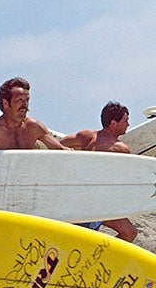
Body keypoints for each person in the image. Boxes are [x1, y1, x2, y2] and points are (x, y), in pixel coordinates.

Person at [0, 78, 66, 189]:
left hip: (29, 180)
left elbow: (60, 150)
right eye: (20, 100)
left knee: (85, 136)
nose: (25, 105)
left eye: (27, 100)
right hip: (2, 183)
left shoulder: (33, 126)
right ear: (6, 103)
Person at [59, 101, 140, 242]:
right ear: (113, 123)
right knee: (130, 233)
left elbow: (60, 143)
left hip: (76, 199)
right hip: (98, 205)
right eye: (126, 120)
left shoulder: (86, 136)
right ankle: (99, 254)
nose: (128, 124)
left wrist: (71, 153)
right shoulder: (120, 149)